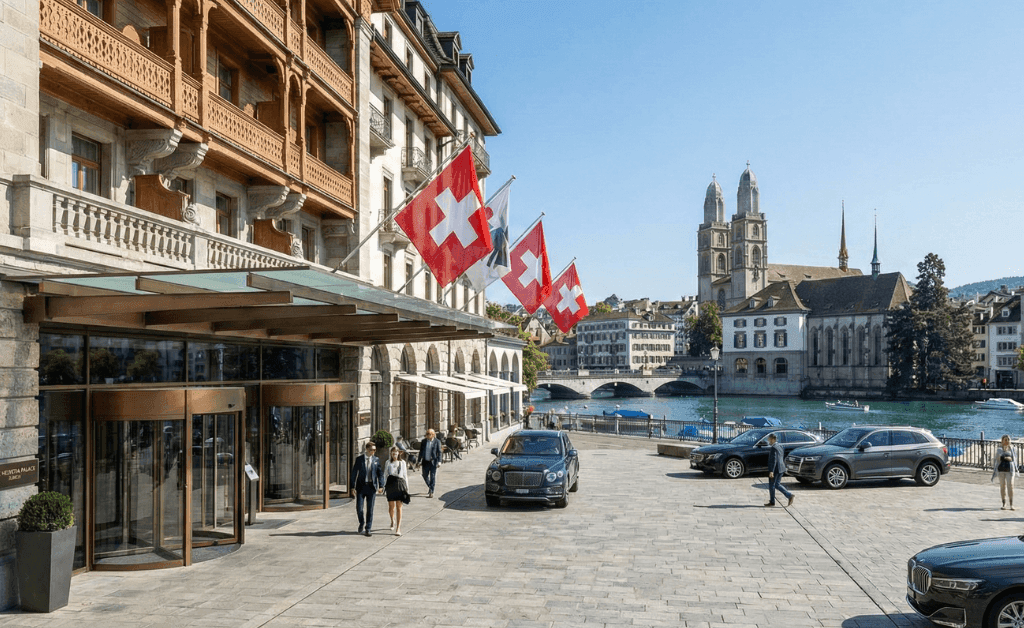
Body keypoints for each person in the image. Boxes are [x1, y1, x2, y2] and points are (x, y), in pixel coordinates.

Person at [350, 441, 383, 536]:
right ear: (367, 450)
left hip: (371, 487)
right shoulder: (359, 459)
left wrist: (381, 486)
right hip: (361, 487)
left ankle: (368, 528)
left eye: (375, 450)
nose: (374, 451)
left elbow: (379, 474)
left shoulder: (376, 460)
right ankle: (361, 522)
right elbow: (354, 474)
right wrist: (352, 487)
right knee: (359, 508)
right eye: (372, 450)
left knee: (370, 509)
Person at [384, 446, 409, 535]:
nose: (394, 454)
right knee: (391, 507)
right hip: (390, 484)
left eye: (396, 452)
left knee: (399, 507)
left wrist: (407, 488)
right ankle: (392, 520)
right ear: (391, 454)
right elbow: (385, 474)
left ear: (399, 453)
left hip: (400, 484)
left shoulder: (402, 463)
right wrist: (383, 486)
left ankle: (398, 528)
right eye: (393, 453)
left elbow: (405, 475)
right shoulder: (388, 462)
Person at [765, 433, 794, 507]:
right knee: (777, 484)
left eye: (769, 439)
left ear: (772, 439)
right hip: (781, 468)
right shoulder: (780, 446)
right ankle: (789, 495)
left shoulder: (773, 448)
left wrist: (771, 471)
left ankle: (772, 501)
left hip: (776, 469)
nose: (768, 441)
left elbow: (774, 460)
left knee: (772, 485)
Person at [992, 434, 1018, 511]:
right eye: (1005, 440)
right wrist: (1005, 457)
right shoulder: (999, 449)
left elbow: (1013, 459)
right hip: (1001, 470)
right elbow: (997, 458)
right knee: (1003, 486)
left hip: (1010, 470)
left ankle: (1011, 504)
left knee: (1011, 486)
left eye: (1008, 440)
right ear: (1002, 441)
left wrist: (1003, 457)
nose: (1007, 441)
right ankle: (1004, 503)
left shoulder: (1012, 448)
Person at [417, 428, 442, 498]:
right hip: (425, 461)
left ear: (433, 435)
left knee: (432, 476)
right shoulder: (424, 441)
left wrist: (439, 461)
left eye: (430, 434)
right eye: (427, 434)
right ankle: (430, 487)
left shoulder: (437, 441)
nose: (428, 435)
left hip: (433, 462)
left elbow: (439, 452)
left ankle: (431, 491)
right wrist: (419, 461)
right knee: (424, 475)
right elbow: (421, 452)